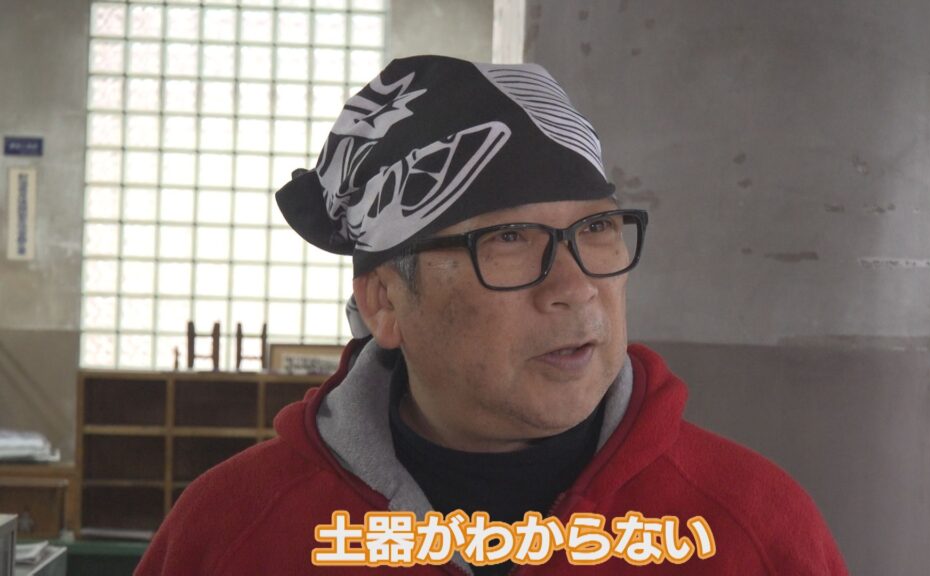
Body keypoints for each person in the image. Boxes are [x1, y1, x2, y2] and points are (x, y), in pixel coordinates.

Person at [135, 55, 848, 575]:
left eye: (597, 228)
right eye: (509, 238)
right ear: (385, 301)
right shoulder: (235, 534)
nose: (575, 287)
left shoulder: (749, 526)